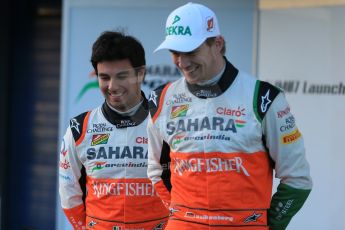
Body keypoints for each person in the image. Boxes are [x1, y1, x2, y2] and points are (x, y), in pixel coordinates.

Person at [147, 2, 312, 230]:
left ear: (217, 44)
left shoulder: (263, 97)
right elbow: (157, 170)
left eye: (191, 51)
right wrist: (180, 216)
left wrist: (266, 225)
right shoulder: (161, 100)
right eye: (175, 52)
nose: (182, 63)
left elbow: (298, 179)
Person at [59, 31, 169, 230]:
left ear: (140, 73)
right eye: (104, 77)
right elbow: (69, 194)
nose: (112, 86)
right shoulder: (80, 128)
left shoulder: (166, 123)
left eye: (121, 76)